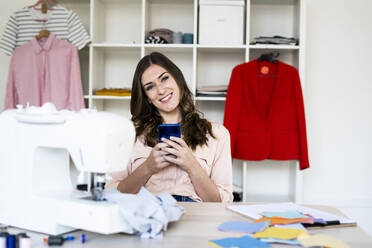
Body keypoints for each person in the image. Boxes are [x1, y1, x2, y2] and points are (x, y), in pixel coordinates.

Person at [106, 52, 233, 202]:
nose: (161, 90)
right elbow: (113, 196)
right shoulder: (128, 135)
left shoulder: (217, 134)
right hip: (148, 213)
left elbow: (219, 203)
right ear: (146, 97)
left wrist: (191, 165)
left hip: (195, 217)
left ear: (177, 79)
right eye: (150, 87)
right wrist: (148, 167)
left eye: (164, 79)